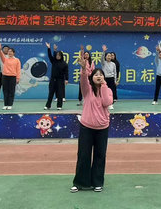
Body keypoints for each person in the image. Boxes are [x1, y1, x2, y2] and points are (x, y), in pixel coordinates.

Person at [71, 45, 113, 193]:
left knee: (100, 156)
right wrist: (84, 69)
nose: (98, 76)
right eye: (96, 75)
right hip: (87, 127)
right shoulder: (87, 90)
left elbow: (106, 102)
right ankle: (80, 182)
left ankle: (97, 182)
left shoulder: (107, 90)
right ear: (92, 77)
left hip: (102, 128)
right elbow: (84, 80)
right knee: (83, 155)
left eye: (101, 75)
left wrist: (103, 86)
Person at [0, 37, 21, 110]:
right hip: (5, 77)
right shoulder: (5, 59)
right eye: (9, 51)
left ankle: (10, 104)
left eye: (11, 51)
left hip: (13, 77)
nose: (10, 52)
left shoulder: (17, 60)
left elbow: (18, 70)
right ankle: (5, 104)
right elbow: (1, 54)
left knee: (11, 91)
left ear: (14, 53)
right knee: (5, 91)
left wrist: (18, 78)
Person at [44, 42, 69, 110]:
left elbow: (66, 72)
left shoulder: (64, 64)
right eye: (57, 55)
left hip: (60, 80)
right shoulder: (54, 61)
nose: (58, 56)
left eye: (59, 55)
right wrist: (49, 48)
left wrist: (66, 79)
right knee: (51, 93)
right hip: (53, 80)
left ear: (61, 56)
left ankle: (59, 106)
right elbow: (50, 55)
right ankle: (48, 105)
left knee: (60, 94)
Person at [100, 45, 117, 110]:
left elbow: (115, 73)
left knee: (111, 92)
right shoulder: (103, 63)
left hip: (111, 79)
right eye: (108, 56)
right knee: (104, 91)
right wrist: (104, 52)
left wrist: (115, 80)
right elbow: (102, 58)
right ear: (106, 57)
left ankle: (111, 104)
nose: (109, 57)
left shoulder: (113, 64)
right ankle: (104, 103)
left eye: (110, 56)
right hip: (105, 79)